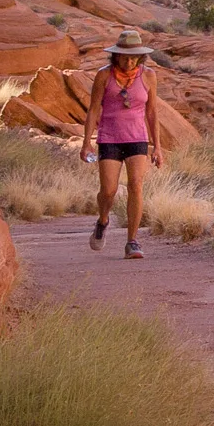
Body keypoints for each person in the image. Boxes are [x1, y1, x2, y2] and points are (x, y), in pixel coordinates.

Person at [77, 29, 166, 259]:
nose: (129, 61)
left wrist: (157, 146)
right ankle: (103, 220)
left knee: (136, 185)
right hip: (109, 138)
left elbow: (152, 113)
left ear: (140, 57)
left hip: (137, 138)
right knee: (109, 191)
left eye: (134, 57)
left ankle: (132, 242)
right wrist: (86, 142)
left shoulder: (148, 76)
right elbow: (94, 109)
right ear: (115, 56)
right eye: (125, 56)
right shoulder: (103, 76)